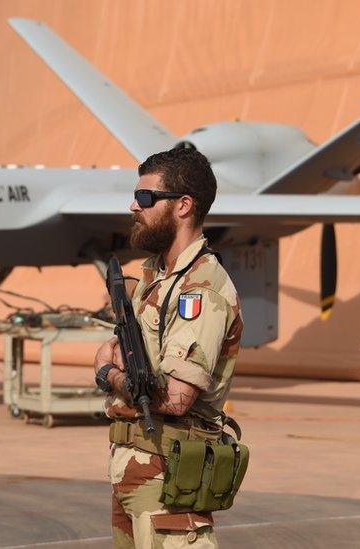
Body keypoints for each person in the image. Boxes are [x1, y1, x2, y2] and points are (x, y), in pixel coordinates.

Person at [93, 146, 243, 548]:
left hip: (169, 477)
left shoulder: (201, 288)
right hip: (136, 473)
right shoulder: (157, 277)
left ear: (183, 206)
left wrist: (108, 374)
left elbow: (176, 399)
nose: (133, 206)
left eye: (145, 198)